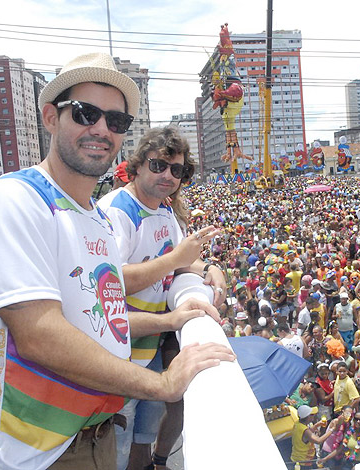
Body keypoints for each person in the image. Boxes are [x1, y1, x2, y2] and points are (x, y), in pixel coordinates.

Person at [0, 53, 234, 469]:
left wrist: (170, 320)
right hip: (35, 449)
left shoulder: (98, 220)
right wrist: (161, 383)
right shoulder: (15, 199)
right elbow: (39, 335)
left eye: (116, 121)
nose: (101, 129)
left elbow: (102, 319)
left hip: (97, 434)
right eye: (85, 113)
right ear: (51, 117)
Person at [98, 125, 227, 470]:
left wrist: (209, 268)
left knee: (142, 436)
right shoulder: (118, 210)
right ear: (138, 165)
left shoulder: (164, 209)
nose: (169, 175)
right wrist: (175, 261)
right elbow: (110, 283)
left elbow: (182, 256)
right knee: (115, 445)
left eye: (178, 170)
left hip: (147, 347)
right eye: (158, 165)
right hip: (115, 355)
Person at [291, 404, 337, 469]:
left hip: (298, 458)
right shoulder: (305, 430)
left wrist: (316, 425)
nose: (313, 416)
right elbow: (318, 441)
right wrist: (331, 430)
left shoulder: (298, 424)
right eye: (311, 415)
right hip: (303, 462)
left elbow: (307, 434)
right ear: (307, 417)